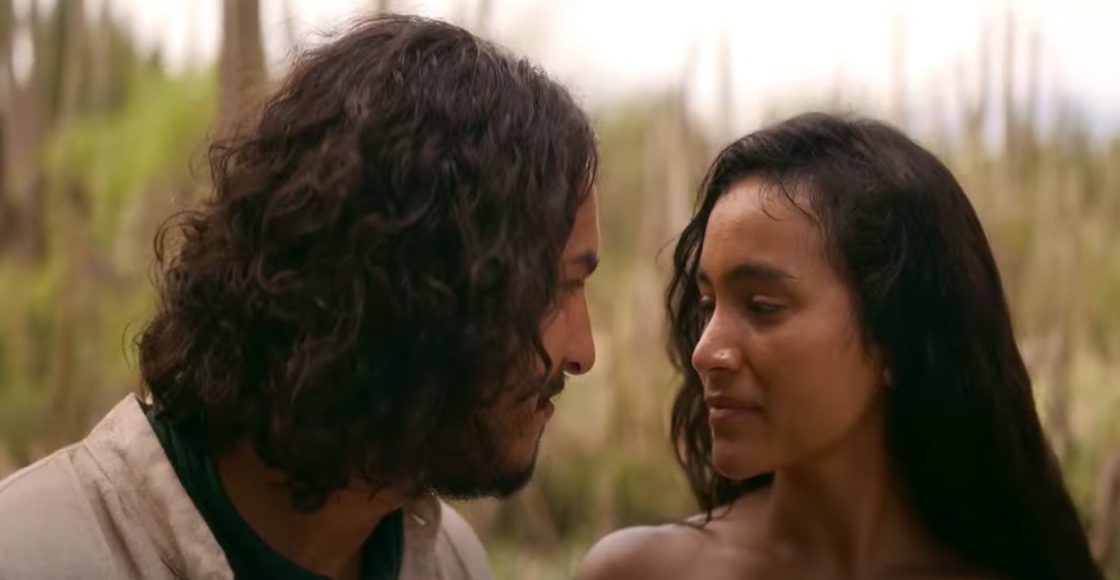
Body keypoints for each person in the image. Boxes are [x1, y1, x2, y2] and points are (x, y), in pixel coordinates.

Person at [0, 13, 600, 580]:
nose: (583, 352)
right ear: (411, 285)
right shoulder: (38, 554)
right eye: (556, 287)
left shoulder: (450, 564)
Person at [576, 112, 1103, 580]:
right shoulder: (639, 572)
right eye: (708, 304)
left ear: (893, 337)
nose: (705, 352)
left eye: (762, 306)